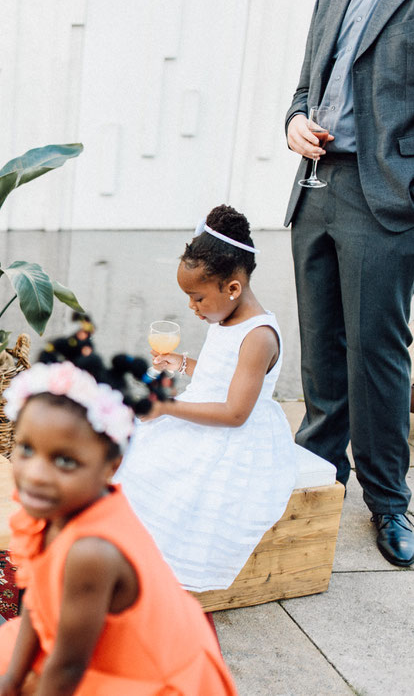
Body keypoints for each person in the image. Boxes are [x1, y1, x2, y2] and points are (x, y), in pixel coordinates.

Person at [0, 354, 235, 696]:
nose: (36, 475)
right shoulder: (56, 507)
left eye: (64, 461)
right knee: (11, 650)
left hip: (156, 680)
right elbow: (37, 599)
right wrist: (10, 682)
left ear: (110, 467)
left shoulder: (92, 553)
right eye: (27, 448)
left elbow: (68, 666)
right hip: (102, 652)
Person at [283, 0, 414, 567]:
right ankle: (317, 476)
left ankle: (388, 500)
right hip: (316, 188)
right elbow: (306, 88)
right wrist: (293, 123)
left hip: (381, 195)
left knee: (375, 351)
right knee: (321, 346)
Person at [115, 205, 312, 592]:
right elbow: (223, 371)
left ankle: (148, 570)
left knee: (156, 475)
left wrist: (167, 407)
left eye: (197, 298)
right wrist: (184, 362)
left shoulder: (259, 335)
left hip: (232, 433)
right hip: (203, 413)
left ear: (232, 288)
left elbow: (236, 411)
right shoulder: (227, 317)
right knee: (125, 450)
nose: (192, 307)